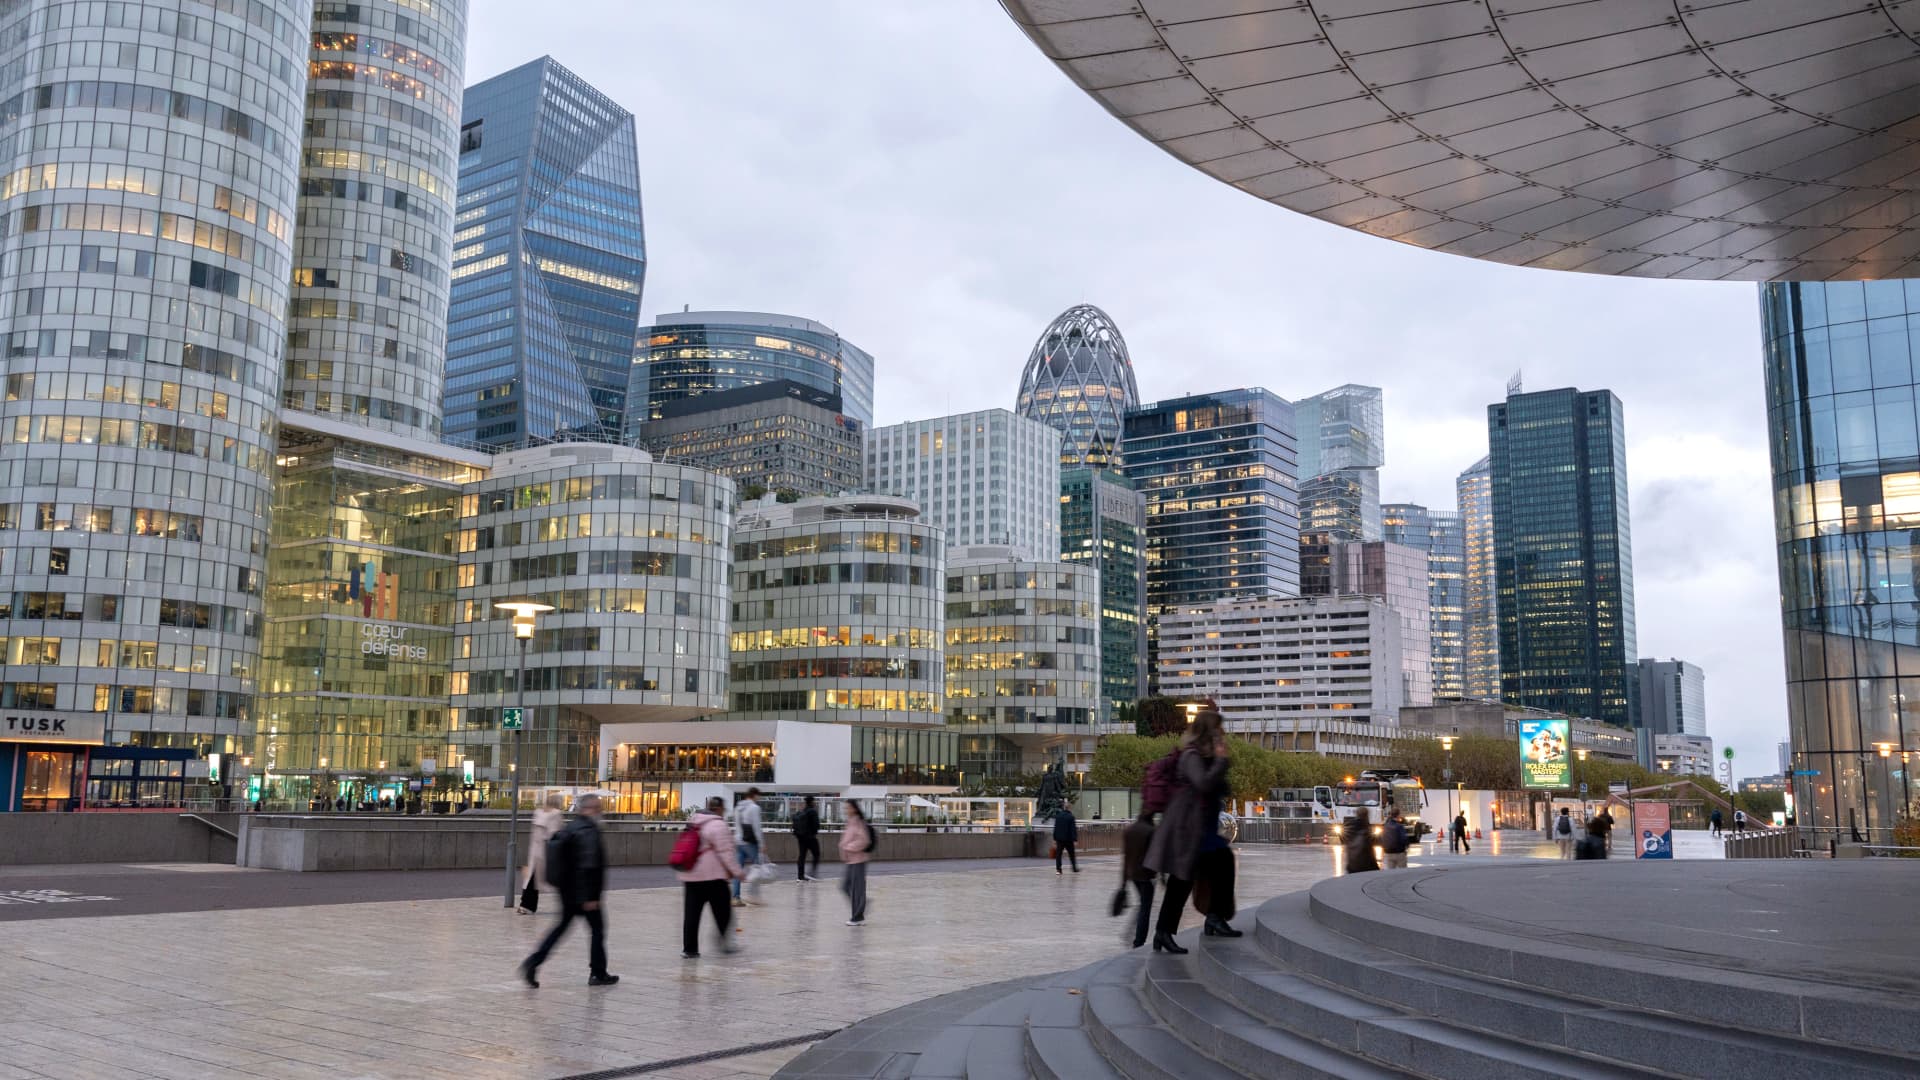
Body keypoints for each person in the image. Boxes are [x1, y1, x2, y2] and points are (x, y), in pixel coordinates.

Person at [1143, 708, 1236, 953]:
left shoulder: (1204, 755)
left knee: (1211, 868)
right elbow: (1203, 783)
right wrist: (1221, 761)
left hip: (1202, 827)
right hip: (1189, 828)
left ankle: (1211, 918)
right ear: (1209, 731)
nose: (1222, 732)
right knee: (1183, 878)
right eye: (1218, 728)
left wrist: (1220, 761)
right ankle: (1166, 931)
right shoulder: (1191, 755)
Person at [520, 793, 617, 988]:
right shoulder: (589, 831)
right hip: (585, 893)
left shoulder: (572, 827)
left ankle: (533, 962)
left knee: (560, 929)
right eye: (597, 808)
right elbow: (589, 864)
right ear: (588, 809)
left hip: (568, 890)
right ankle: (598, 973)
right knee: (597, 930)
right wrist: (591, 897)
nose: (600, 812)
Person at [678, 795, 743, 959]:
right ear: (719, 808)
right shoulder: (718, 825)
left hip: (691, 874)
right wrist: (738, 872)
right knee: (723, 911)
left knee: (691, 914)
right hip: (713, 877)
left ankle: (689, 950)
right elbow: (726, 853)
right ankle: (725, 943)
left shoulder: (693, 821)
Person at [519, 793, 565, 915]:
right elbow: (555, 833)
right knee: (555, 877)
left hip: (536, 850)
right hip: (547, 850)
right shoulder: (556, 814)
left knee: (533, 878)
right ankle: (526, 905)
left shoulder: (538, 812)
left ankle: (526, 905)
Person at [1119, 806, 1156, 948]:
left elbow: (1126, 858)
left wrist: (1123, 883)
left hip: (1132, 874)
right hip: (1146, 875)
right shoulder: (1150, 831)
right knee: (1145, 908)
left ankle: (1134, 936)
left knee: (1142, 905)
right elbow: (1155, 855)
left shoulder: (1130, 830)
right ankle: (1139, 941)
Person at [839, 800, 874, 926]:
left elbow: (864, 840)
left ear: (854, 809)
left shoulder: (858, 822)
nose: (846, 810)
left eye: (848, 808)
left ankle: (858, 917)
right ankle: (862, 904)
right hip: (851, 861)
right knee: (845, 887)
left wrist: (848, 847)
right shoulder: (850, 822)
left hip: (858, 860)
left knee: (857, 890)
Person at [731, 787, 764, 907]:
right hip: (750, 842)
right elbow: (756, 827)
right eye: (758, 795)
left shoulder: (738, 807)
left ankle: (735, 897)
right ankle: (752, 895)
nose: (758, 798)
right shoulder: (754, 808)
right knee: (757, 868)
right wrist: (761, 844)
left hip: (738, 841)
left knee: (738, 870)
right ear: (754, 795)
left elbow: (737, 825)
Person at [792, 795, 822, 882]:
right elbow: (816, 825)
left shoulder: (803, 811)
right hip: (810, 837)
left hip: (801, 837)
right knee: (816, 854)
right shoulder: (812, 811)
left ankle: (800, 876)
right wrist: (814, 832)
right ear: (812, 802)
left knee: (802, 856)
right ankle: (811, 874)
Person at [1343, 808, 1380, 874]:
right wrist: (1376, 868)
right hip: (1364, 868)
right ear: (1366, 815)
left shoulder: (1350, 826)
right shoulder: (1364, 828)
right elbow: (1369, 852)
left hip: (1352, 866)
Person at [1053, 804, 1080, 874]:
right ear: (1069, 808)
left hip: (1059, 839)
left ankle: (1058, 870)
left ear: (1064, 808)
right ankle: (1074, 868)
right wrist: (1075, 839)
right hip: (1068, 839)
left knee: (1058, 855)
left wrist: (1054, 838)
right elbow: (1073, 829)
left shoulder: (1058, 816)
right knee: (1071, 854)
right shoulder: (1071, 817)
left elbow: (1056, 828)